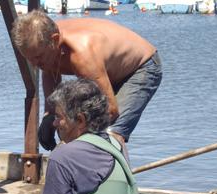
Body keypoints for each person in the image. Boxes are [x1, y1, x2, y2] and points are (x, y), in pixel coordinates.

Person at [12, 10, 162, 154]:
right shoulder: (44, 41)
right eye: (29, 58)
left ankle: (117, 178)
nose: (34, 64)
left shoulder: (82, 55)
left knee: (108, 133)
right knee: (67, 123)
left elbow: (109, 110)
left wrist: (73, 136)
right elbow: (51, 71)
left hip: (140, 68)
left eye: (38, 58)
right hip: (107, 71)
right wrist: (50, 115)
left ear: (55, 40)